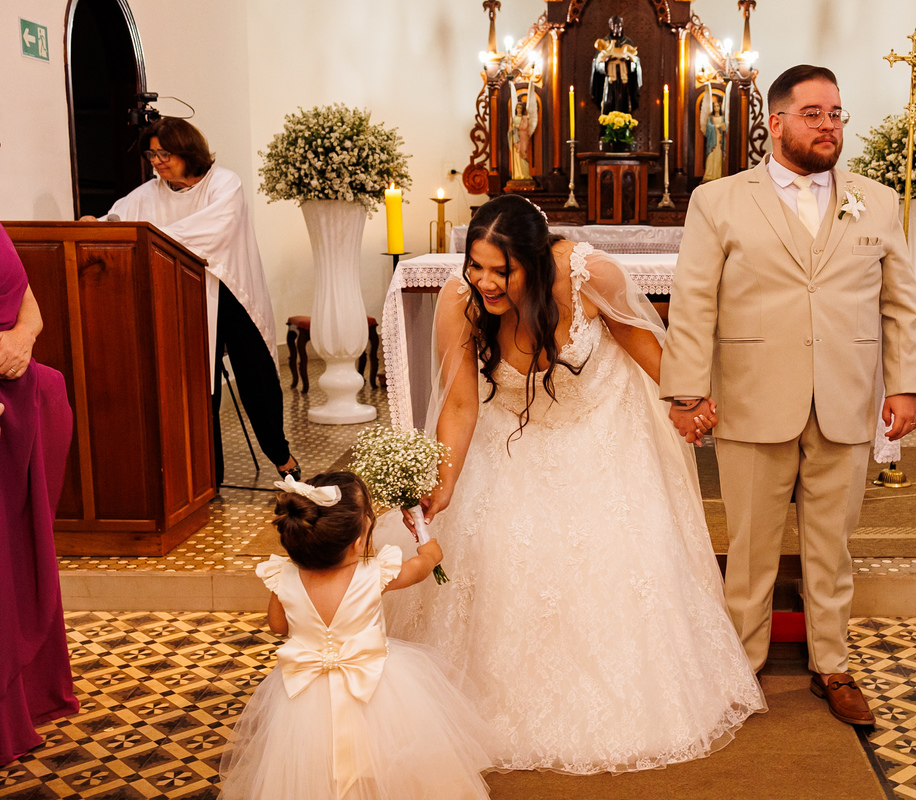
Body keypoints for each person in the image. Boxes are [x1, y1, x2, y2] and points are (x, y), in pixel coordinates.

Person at [381, 194, 765, 773]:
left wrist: (687, 402)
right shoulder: (460, 300)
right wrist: (446, 481)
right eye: (476, 266)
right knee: (498, 549)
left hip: (600, 424)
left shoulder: (588, 275)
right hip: (509, 435)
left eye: (501, 270)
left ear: (535, 262)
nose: (485, 282)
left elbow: (644, 345)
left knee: (618, 554)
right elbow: (460, 405)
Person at [659, 65, 916, 727]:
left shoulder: (876, 201)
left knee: (833, 547)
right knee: (750, 549)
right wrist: (686, 393)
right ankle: (741, 667)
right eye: (813, 114)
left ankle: (832, 665)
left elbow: (900, 304)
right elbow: (694, 302)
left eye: (836, 113)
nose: (828, 125)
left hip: (846, 398)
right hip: (754, 398)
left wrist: (905, 385)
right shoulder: (718, 201)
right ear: (775, 123)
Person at [219, 472, 495, 800]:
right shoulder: (375, 573)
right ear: (358, 542)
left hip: (304, 692)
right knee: (385, 756)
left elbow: (278, 626)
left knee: (311, 763)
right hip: (375, 685)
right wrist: (430, 551)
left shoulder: (284, 575)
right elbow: (420, 569)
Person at [81, 117, 297, 484]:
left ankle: (282, 457)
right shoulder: (148, 193)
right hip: (183, 296)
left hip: (231, 293)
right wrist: (96, 224)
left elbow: (212, 231)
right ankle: (208, 476)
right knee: (198, 387)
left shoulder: (224, 183)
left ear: (187, 150)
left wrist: (148, 236)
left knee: (256, 379)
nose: (157, 162)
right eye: (152, 155)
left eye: (164, 154)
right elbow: (117, 220)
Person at [0, 222, 79, 765]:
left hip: (21, 401)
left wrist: (21, 340)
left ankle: (24, 693)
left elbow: (31, 310)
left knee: (18, 561)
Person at [591, 15, 641, 115]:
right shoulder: (604, 44)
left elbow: (635, 63)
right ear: (610, 26)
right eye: (614, 26)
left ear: (622, 26)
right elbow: (597, 65)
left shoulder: (628, 43)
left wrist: (627, 61)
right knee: (609, 102)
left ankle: (624, 120)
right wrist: (607, 61)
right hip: (609, 81)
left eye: (619, 25)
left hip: (624, 81)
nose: (616, 28)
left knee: (623, 104)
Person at [702, 89, 728, 183]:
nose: (716, 108)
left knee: (718, 159)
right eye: (715, 106)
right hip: (712, 142)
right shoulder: (710, 118)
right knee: (710, 158)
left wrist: (723, 127)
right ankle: (709, 175)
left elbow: (725, 129)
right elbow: (708, 128)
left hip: (719, 142)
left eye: (717, 106)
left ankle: (717, 176)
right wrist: (717, 126)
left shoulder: (722, 118)